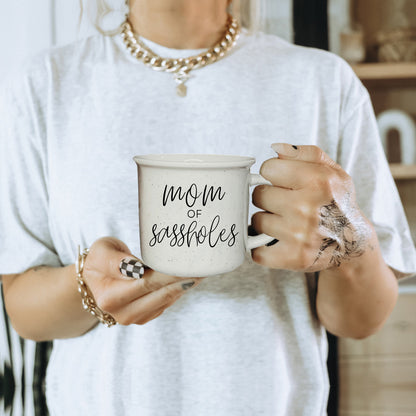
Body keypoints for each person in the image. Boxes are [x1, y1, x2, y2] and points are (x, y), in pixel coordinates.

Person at [1, 0, 415, 414]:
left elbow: (360, 321)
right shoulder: (46, 81)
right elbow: (25, 315)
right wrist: (88, 287)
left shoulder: (323, 81)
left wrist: (346, 240)